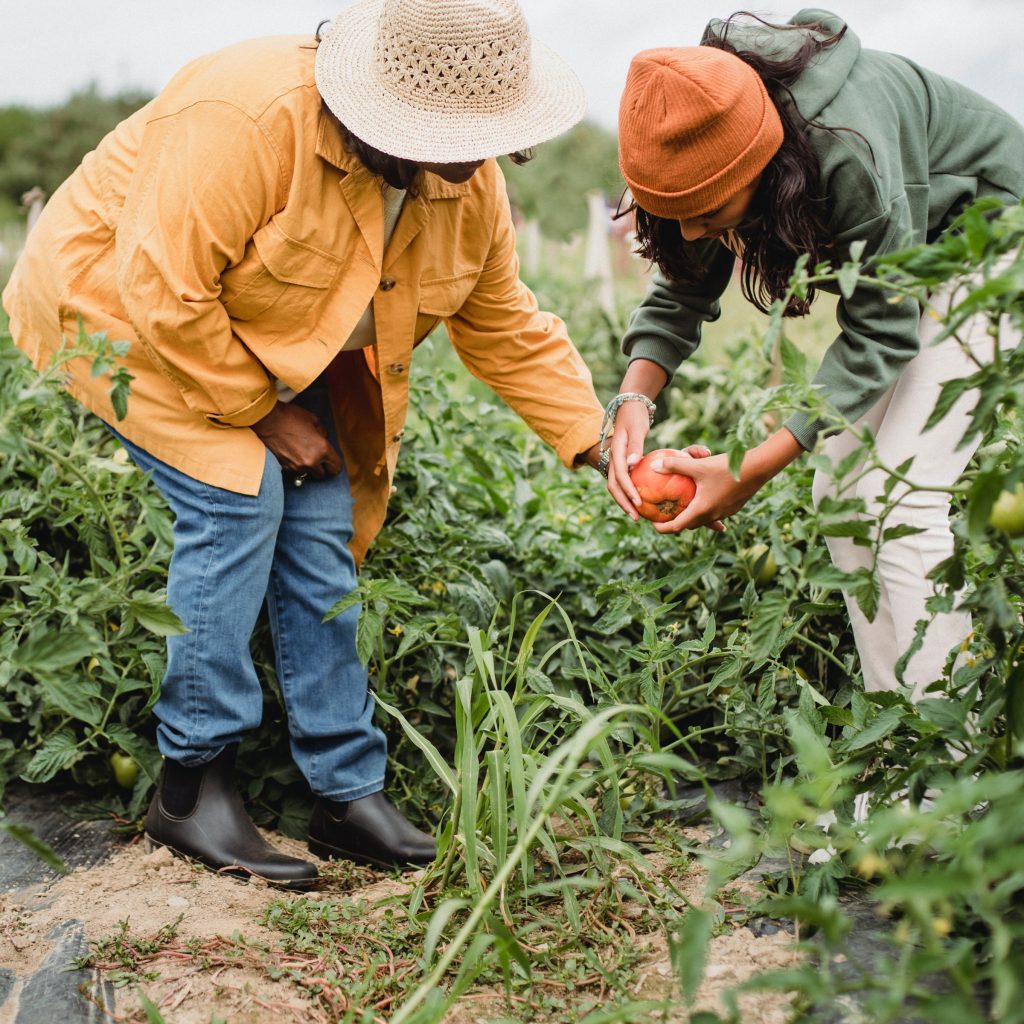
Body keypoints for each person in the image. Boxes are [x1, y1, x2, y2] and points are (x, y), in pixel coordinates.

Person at [2, 0, 608, 888]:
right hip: (120, 313)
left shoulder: (464, 181)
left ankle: (345, 792)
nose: (477, 161)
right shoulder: (248, 119)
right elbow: (163, 290)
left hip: (267, 334)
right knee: (238, 494)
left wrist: (598, 444)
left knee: (321, 522)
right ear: (389, 109)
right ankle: (191, 783)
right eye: (457, 137)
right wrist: (264, 412)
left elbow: (503, 322)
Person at [605, 10, 1024, 702]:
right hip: (924, 264)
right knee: (840, 496)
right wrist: (634, 396)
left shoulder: (846, 149)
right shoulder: (705, 124)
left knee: (903, 497)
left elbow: (882, 331)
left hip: (996, 247)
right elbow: (683, 283)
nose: (691, 230)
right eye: (672, 209)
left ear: (766, 169)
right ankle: (897, 750)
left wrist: (746, 470)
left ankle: (948, 773)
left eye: (710, 212)